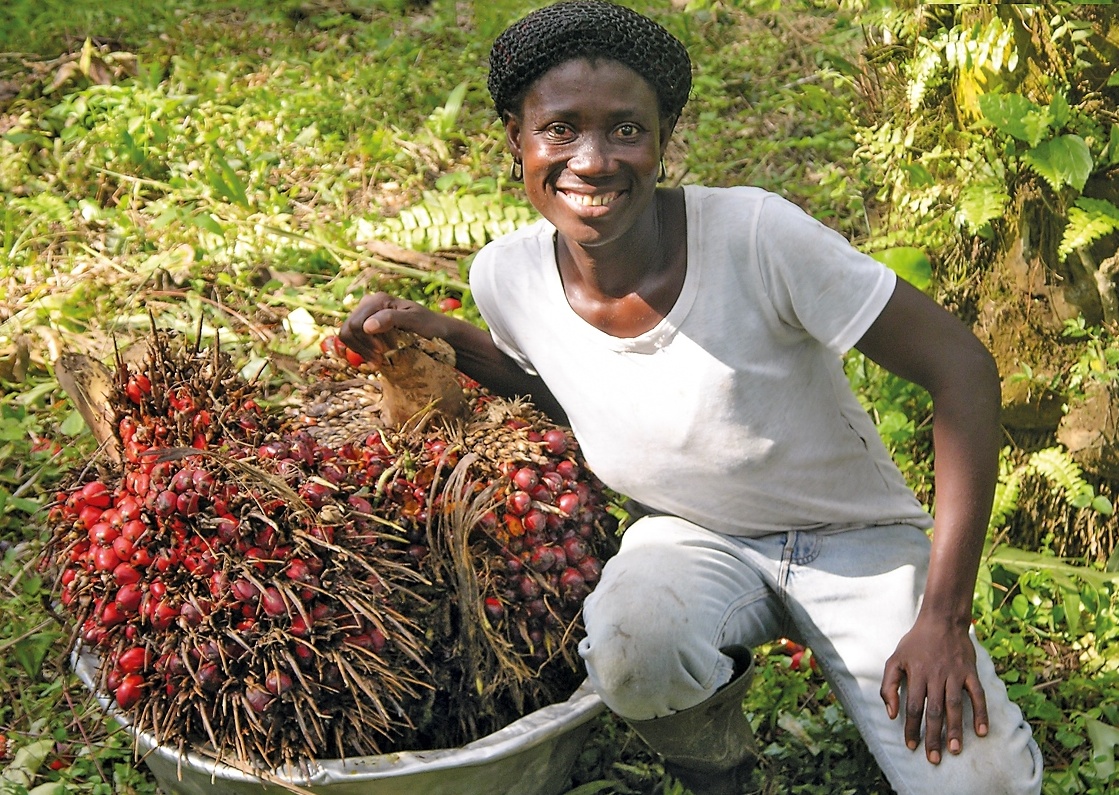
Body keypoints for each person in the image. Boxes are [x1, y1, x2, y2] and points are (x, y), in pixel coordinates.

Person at [340, 2, 1044, 793]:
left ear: (664, 137)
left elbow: (961, 368)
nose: (593, 159)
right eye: (560, 128)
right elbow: (565, 391)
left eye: (626, 130)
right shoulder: (505, 278)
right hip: (687, 536)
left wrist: (942, 616)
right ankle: (718, 769)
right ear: (516, 138)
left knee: (984, 787)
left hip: (853, 542)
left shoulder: (754, 238)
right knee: (633, 643)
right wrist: (449, 336)